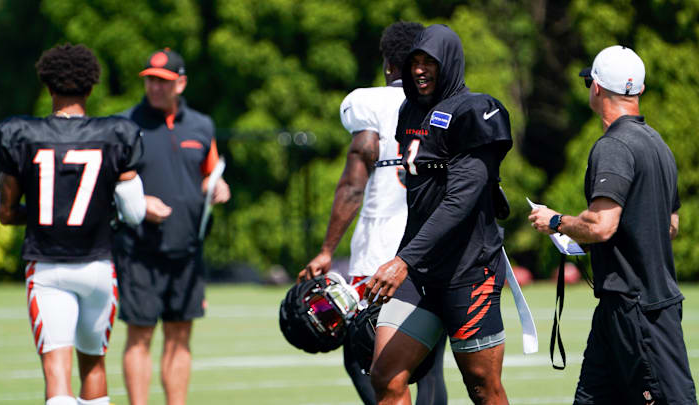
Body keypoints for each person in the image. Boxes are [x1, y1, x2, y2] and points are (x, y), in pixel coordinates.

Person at [529, 45, 696, 405]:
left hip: (637, 308)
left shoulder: (614, 146)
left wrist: (557, 221)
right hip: (627, 306)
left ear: (597, 88)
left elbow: (603, 225)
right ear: (640, 91)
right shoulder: (657, 144)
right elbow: (669, 225)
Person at [298, 21, 447, 405]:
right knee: (430, 365)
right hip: (436, 250)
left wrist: (327, 249)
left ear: (388, 65)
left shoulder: (371, 103)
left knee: (362, 354)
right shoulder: (446, 103)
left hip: (382, 252)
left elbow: (353, 182)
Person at [364, 24, 513, 405]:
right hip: (422, 272)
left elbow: (459, 202)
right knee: (386, 376)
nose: (419, 69)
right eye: (414, 61)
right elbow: (419, 201)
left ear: (449, 63)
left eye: (429, 61)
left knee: (483, 387)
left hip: (468, 270)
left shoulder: (475, 111)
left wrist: (402, 261)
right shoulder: (409, 111)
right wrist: (403, 260)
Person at [0, 43, 145, 405]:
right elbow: (135, 212)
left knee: (56, 370)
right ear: (91, 87)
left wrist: (48, 213)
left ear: (48, 87)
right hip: (98, 266)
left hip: (47, 266)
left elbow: (6, 212)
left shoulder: (21, 135)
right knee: (93, 365)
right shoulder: (117, 134)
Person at [113, 48, 231, 405]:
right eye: (150, 79)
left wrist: (218, 187)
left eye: (163, 81)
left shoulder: (201, 125)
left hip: (188, 249)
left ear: (180, 83)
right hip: (139, 250)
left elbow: (210, 172)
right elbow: (108, 182)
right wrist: (139, 203)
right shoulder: (124, 124)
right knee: (140, 336)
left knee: (180, 336)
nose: (154, 87)